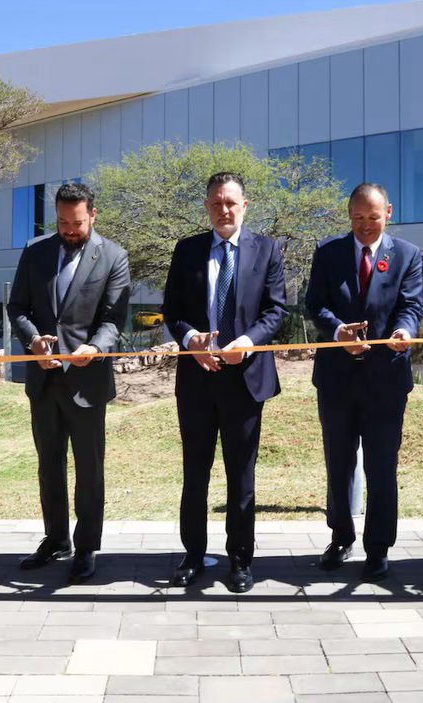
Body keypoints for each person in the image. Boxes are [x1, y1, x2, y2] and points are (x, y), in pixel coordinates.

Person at [161, 172, 287, 594]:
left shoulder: (266, 250)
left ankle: (239, 559)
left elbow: (276, 311)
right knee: (194, 474)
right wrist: (189, 338)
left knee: (242, 475)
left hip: (246, 381)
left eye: (231, 202)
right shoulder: (187, 250)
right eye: (216, 203)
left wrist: (248, 343)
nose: (224, 210)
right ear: (207, 207)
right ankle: (192, 555)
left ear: (244, 205)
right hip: (197, 380)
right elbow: (171, 310)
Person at [8, 182, 130, 584]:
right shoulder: (35, 251)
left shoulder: (113, 256)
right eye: (62, 222)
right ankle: (55, 538)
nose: (69, 229)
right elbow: (18, 307)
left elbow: (113, 319)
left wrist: (95, 346)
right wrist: (33, 338)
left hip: (86, 381)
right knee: (49, 466)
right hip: (43, 380)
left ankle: (87, 545)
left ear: (92, 215)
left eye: (76, 222)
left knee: (90, 468)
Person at [304, 183, 423, 581]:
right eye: (358, 218)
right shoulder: (328, 253)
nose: (366, 226)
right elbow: (314, 304)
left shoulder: (407, 254)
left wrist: (404, 330)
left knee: (381, 465)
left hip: (386, 379)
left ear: (388, 212)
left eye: (373, 218)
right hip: (337, 379)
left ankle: (378, 547)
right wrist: (337, 331)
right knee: (339, 463)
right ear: (349, 215)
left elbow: (411, 305)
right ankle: (340, 536)